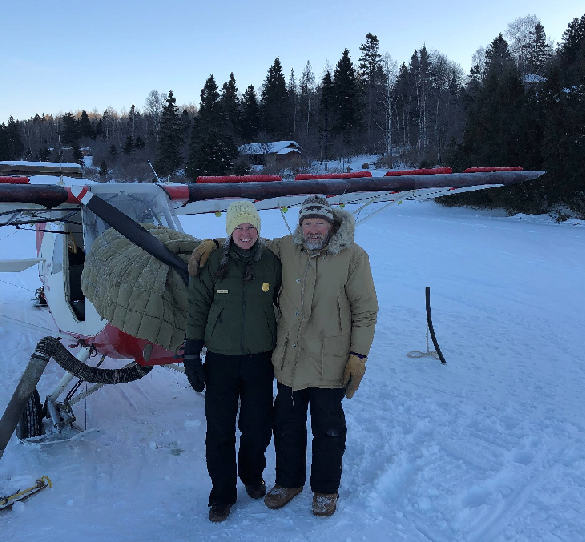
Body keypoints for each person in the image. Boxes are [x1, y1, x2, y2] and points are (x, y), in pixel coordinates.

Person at [190, 195, 378, 517]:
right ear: (300, 226)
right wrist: (212, 242)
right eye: (307, 223)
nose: (313, 229)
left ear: (331, 225)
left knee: (328, 428)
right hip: (291, 360)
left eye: (320, 222)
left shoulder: (353, 257)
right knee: (287, 425)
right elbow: (245, 241)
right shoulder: (286, 249)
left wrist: (358, 355)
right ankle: (289, 482)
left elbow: (365, 311)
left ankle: (325, 489)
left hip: (330, 360)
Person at [183, 200, 282, 523]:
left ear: (259, 230)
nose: (245, 233)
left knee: (257, 428)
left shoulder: (272, 260)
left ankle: (252, 477)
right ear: (229, 231)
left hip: (259, 360)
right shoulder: (212, 260)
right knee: (220, 431)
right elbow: (198, 306)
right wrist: (191, 354)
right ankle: (222, 494)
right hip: (221, 360)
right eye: (238, 227)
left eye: (251, 226)